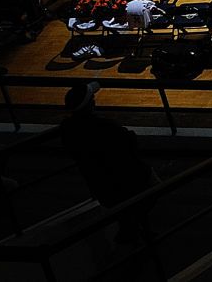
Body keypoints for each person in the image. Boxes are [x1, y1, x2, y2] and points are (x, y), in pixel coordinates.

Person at [60, 82, 158, 221]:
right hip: (130, 181)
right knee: (155, 187)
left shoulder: (67, 130)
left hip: (101, 187)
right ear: (91, 104)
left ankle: (132, 223)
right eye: (92, 98)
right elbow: (130, 141)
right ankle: (134, 223)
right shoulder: (105, 126)